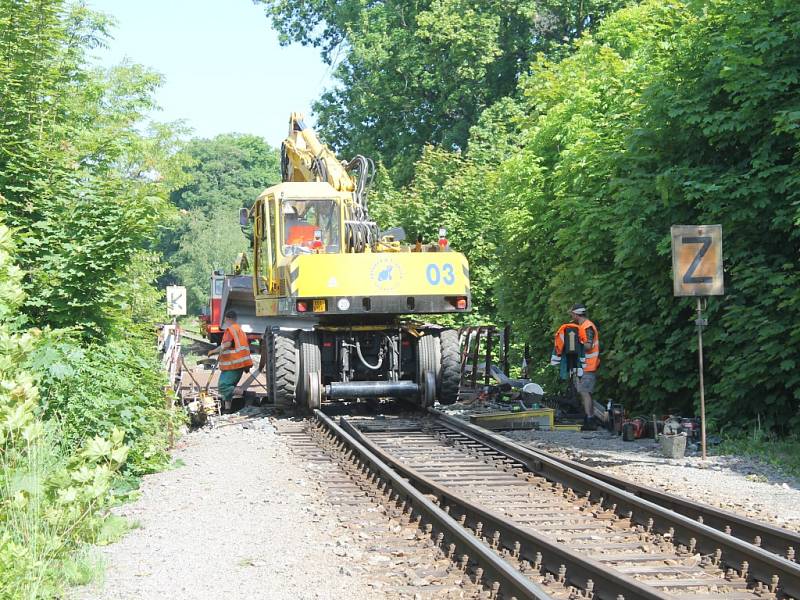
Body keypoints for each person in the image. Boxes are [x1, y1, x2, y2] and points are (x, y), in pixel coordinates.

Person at [207, 310, 253, 410]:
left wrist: (213, 351)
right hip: (240, 364)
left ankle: (248, 395)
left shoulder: (230, 330)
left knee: (223, 387)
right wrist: (245, 366)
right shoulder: (240, 331)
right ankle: (227, 409)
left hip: (233, 365)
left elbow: (226, 345)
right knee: (229, 388)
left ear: (227, 319)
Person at [569, 303, 600, 430]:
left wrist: (575, 343)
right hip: (583, 366)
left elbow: (588, 345)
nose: (571, 316)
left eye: (572, 313)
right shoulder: (583, 326)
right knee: (584, 393)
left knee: (585, 392)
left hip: (588, 366)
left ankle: (590, 420)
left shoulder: (587, 327)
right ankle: (589, 418)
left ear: (576, 314)